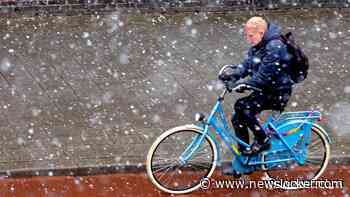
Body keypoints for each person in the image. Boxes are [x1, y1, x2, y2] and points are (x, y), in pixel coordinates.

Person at [218, 16, 294, 155]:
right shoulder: (259, 45)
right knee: (237, 117)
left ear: (261, 32)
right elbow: (247, 65)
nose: (249, 39)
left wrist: (244, 84)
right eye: (247, 35)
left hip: (278, 92)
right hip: (266, 90)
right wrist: (233, 76)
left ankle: (263, 140)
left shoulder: (274, 46)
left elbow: (263, 76)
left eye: (251, 35)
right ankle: (244, 156)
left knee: (244, 107)